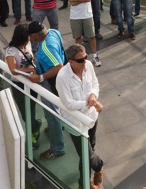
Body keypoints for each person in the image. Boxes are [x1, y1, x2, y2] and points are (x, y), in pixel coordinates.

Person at [56, 44, 105, 189]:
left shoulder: (88, 65)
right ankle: (98, 168)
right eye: (80, 60)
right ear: (70, 61)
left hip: (92, 118)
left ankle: (83, 182)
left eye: (85, 57)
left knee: (89, 151)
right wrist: (91, 102)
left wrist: (93, 95)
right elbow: (68, 104)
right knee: (87, 154)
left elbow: (95, 84)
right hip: (75, 123)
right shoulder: (62, 77)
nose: (85, 61)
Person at [26, 21, 66, 161]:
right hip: (60, 80)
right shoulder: (53, 32)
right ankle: (55, 129)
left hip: (51, 82)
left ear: (36, 36)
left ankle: (57, 148)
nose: (30, 38)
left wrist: (40, 76)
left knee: (51, 114)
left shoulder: (45, 48)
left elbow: (59, 66)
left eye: (30, 36)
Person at [67, 0, 101, 66]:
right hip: (75, 17)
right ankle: (81, 57)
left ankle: (95, 56)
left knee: (92, 36)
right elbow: (71, 3)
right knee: (78, 38)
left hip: (87, 15)